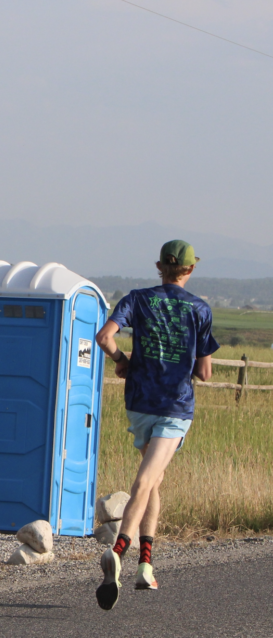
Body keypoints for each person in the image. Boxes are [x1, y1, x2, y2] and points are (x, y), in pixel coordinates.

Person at [94, 240, 218, 610]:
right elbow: (205, 373)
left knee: (154, 480)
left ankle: (145, 566)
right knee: (145, 481)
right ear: (190, 269)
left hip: (139, 404)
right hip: (174, 407)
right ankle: (120, 550)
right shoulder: (199, 308)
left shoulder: (137, 299)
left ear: (159, 266)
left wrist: (122, 359)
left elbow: (104, 337)